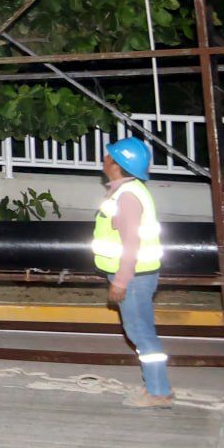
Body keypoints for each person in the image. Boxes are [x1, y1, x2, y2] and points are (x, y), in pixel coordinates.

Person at [94, 138, 172, 409]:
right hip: (140, 274)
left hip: (135, 276)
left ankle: (157, 392)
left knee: (140, 333)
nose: (104, 159)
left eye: (108, 156)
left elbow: (131, 243)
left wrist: (120, 280)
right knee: (142, 331)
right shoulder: (129, 190)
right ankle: (157, 387)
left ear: (117, 165)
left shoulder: (127, 197)